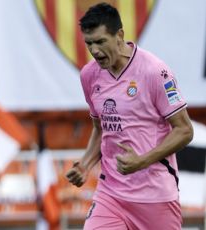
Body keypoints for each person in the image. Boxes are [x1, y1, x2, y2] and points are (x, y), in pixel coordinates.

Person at [65, 3, 193, 229]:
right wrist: (85, 165)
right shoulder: (89, 75)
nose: (94, 50)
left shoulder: (155, 71)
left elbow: (184, 130)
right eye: (89, 43)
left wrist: (142, 161)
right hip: (111, 194)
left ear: (119, 36)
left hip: (155, 196)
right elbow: (101, 128)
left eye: (100, 41)